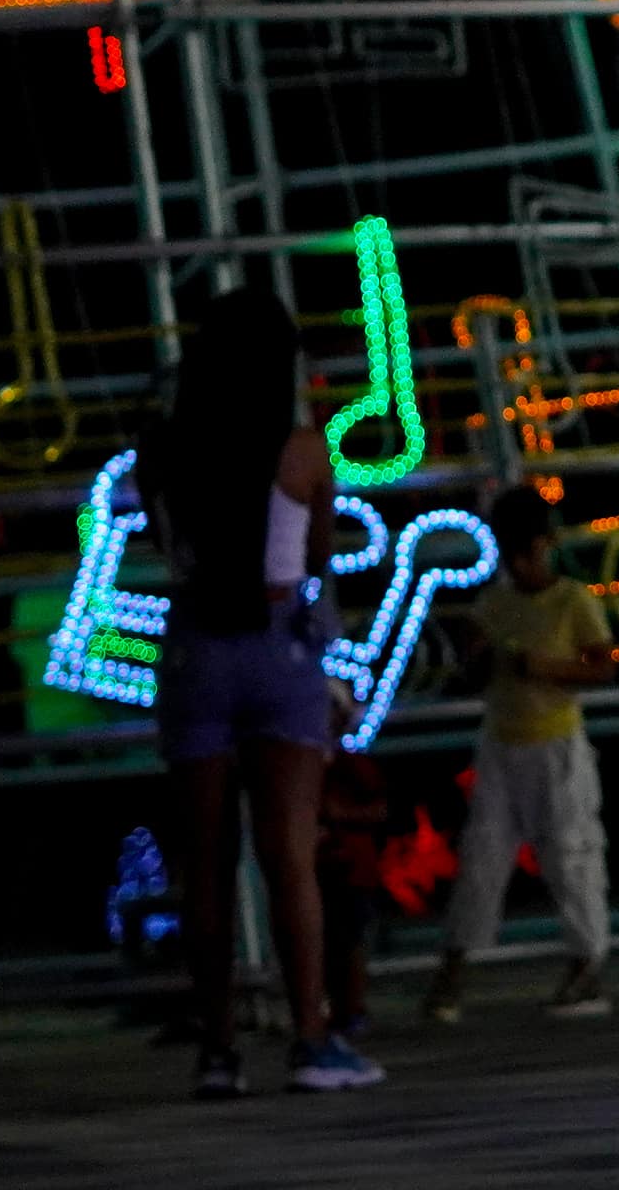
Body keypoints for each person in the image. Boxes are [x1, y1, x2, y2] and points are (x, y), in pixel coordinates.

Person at [147, 286, 380, 1095]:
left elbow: (168, 544)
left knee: (205, 865)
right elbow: (319, 559)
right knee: (290, 858)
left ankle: (217, 1051)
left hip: (193, 651)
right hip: (279, 650)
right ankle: (312, 1039)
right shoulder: (304, 449)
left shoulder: (164, 448)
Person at [427, 483, 618, 1021]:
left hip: (556, 744)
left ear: (544, 544)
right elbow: (471, 672)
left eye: (524, 551)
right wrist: (481, 660)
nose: (517, 563)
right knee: (481, 857)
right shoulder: (495, 603)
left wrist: (543, 667)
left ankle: (586, 966)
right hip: (502, 745)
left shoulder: (573, 600)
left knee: (571, 854)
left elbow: (602, 667)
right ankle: (454, 969)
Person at [315, 751, 392, 1040]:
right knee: (325, 943)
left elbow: (381, 808)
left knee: (350, 942)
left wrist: (341, 814)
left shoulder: (350, 764)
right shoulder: (299, 765)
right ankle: (333, 1009)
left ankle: (352, 1009)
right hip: (315, 872)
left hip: (353, 870)